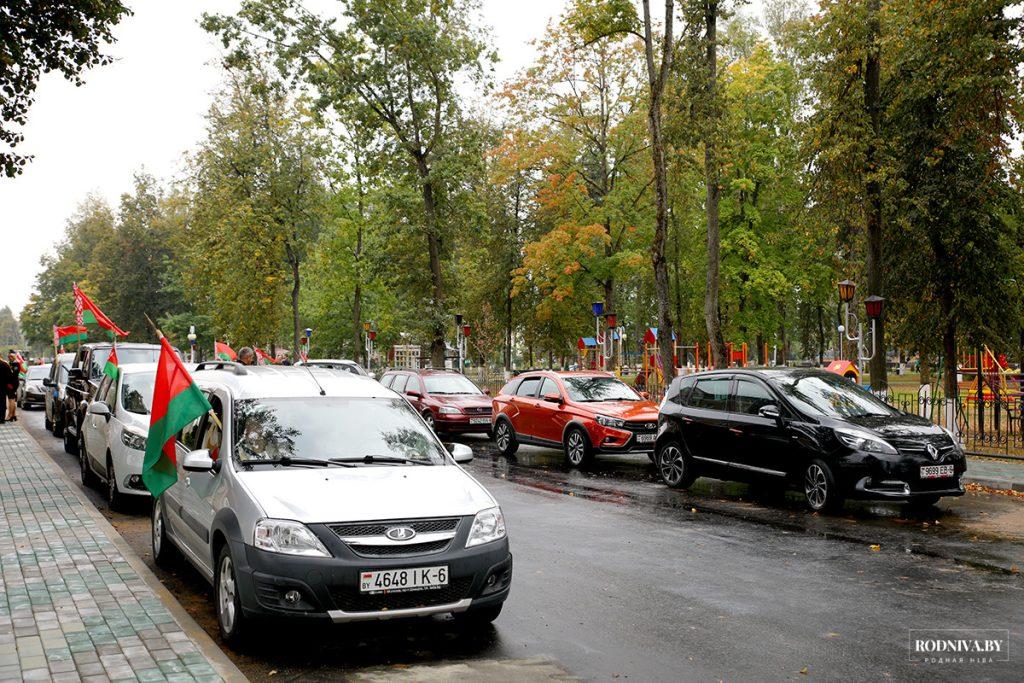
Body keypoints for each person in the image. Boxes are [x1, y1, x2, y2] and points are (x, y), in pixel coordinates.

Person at [0, 357, 17, 422]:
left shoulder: (6, 364)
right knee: (2, 402)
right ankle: (1, 419)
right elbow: (9, 376)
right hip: (3, 387)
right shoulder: (5, 364)